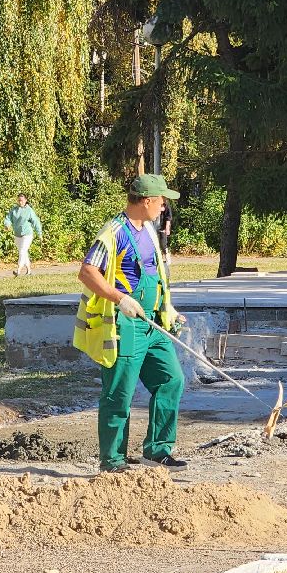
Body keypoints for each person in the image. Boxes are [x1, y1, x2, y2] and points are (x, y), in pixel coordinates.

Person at [74, 173, 186, 473]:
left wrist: (168, 309)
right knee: (119, 394)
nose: (164, 207)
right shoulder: (114, 232)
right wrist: (119, 298)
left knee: (171, 380)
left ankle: (157, 451)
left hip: (153, 324)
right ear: (147, 201)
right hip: (124, 326)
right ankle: (113, 462)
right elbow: (87, 272)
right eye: (162, 201)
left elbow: (157, 273)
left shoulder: (149, 229)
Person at [4, 194, 43, 276]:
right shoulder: (14, 210)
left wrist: (39, 233)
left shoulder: (29, 210)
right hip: (17, 235)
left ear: (25, 200)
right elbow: (8, 218)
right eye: (19, 200)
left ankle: (18, 270)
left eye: (21, 200)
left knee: (22, 251)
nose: (20, 202)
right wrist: (7, 225)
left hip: (27, 234)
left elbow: (36, 222)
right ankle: (29, 271)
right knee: (23, 252)